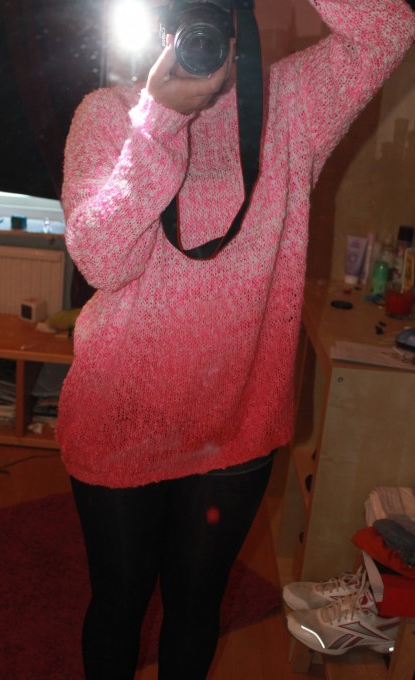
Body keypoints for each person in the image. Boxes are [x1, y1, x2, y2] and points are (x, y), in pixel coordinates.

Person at [56, 1, 415, 678]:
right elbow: (101, 260)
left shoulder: (289, 105)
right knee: (119, 603)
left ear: (239, 23)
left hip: (234, 423)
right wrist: (161, 121)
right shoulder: (107, 114)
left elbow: (390, 26)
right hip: (120, 416)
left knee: (196, 606)